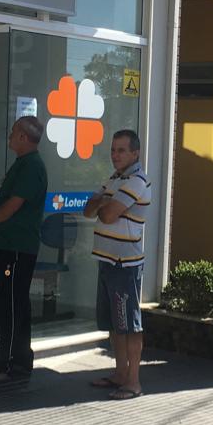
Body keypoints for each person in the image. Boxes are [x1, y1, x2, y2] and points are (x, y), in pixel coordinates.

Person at [0, 116, 48, 384]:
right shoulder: (22, 164)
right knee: (9, 301)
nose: (10, 135)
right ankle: (14, 362)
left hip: (18, 247)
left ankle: (7, 365)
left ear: (24, 138)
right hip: (9, 245)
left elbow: (14, 204)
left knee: (12, 305)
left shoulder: (31, 167)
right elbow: (3, 198)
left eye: (14, 132)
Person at [83, 129, 151, 400]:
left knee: (129, 325)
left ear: (135, 153)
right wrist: (104, 201)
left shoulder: (137, 181)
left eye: (121, 150)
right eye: (113, 150)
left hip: (125, 264)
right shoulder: (114, 179)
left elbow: (108, 215)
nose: (115, 155)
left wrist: (104, 203)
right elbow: (88, 210)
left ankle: (133, 382)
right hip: (106, 261)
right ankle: (119, 374)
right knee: (114, 324)